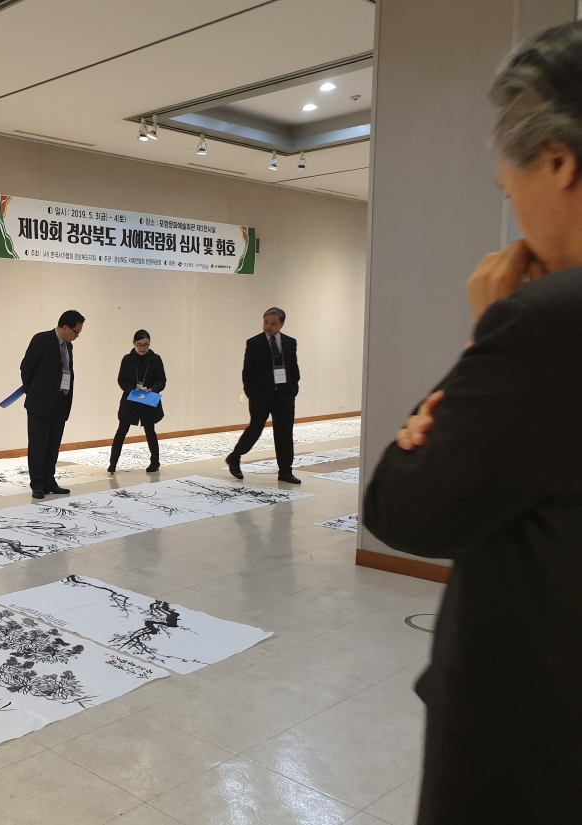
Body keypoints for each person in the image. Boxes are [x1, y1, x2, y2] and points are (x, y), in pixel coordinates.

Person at [363, 22, 582, 824]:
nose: (513, 212)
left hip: (533, 738)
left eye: (505, 189)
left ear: (556, 162)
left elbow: (402, 504)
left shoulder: (547, 321)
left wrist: (486, 334)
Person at [225, 308, 301, 483]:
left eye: (273, 323)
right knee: (255, 428)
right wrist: (251, 393)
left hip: (284, 395)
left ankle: (285, 471)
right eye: (266, 322)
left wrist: (293, 390)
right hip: (261, 396)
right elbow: (248, 371)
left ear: (281, 324)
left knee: (284, 433)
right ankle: (235, 456)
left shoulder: (290, 342)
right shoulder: (254, 343)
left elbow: (293, 368)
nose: (268, 326)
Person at [20, 310, 84, 499]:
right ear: (65, 327)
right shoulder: (42, 340)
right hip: (40, 404)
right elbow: (26, 367)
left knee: (52, 446)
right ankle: (37, 484)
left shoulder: (68, 346)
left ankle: (50, 481)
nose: (77, 336)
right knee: (38, 446)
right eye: (76, 332)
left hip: (60, 402)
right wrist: (34, 390)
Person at [108, 329, 167, 474]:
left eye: (146, 344)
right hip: (131, 398)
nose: (142, 348)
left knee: (150, 430)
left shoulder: (155, 359)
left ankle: (155, 462)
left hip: (148, 398)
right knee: (122, 430)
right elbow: (121, 380)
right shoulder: (127, 359)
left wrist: (152, 389)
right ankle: (112, 463)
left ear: (150, 343)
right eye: (139, 345)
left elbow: (162, 381)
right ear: (133, 343)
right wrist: (132, 389)